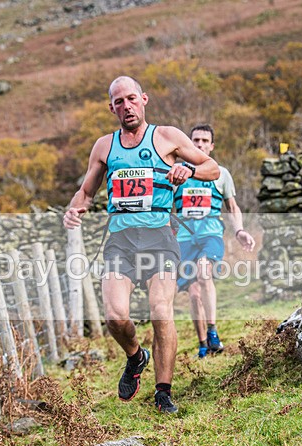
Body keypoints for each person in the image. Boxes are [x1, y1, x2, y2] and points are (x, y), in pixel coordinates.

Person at [63, 76, 220, 414]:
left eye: (131, 98)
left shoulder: (167, 136)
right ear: (112, 108)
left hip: (160, 237)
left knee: (160, 311)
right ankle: (136, 357)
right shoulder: (104, 146)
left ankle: (163, 391)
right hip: (120, 240)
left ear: (144, 99)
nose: (126, 106)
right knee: (115, 317)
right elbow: (87, 191)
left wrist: (187, 171)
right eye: (119, 102)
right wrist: (75, 207)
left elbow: (212, 168)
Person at [173, 124, 256, 358]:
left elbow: (232, 207)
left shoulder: (222, 173)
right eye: (195, 140)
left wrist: (239, 230)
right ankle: (202, 344)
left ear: (211, 146)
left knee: (204, 273)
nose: (199, 145)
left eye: (204, 141)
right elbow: (163, 205)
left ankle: (212, 330)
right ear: (189, 144)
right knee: (194, 294)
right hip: (184, 238)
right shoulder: (177, 172)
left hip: (211, 234)